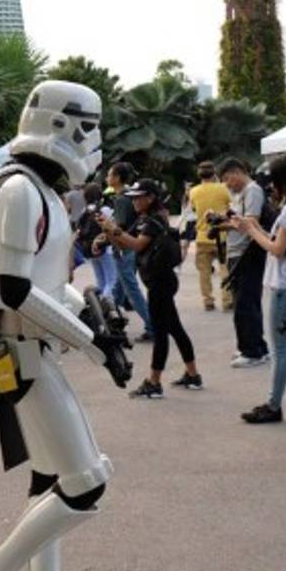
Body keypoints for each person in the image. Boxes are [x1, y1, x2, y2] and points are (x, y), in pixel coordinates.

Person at [0, 80, 127, 571]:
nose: (93, 141)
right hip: (21, 348)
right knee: (86, 480)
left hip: (27, 346)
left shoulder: (34, 189)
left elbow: (46, 286)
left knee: (49, 474)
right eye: (89, 127)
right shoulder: (18, 191)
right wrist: (93, 342)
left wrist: (95, 316)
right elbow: (12, 290)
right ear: (64, 126)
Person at [100, 178, 203, 398]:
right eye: (133, 197)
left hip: (160, 282)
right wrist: (108, 233)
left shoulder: (155, 220)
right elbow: (124, 242)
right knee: (174, 328)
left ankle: (153, 382)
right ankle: (193, 375)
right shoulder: (144, 218)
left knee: (160, 332)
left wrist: (113, 230)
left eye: (139, 197)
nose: (135, 201)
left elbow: (137, 245)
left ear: (150, 198)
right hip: (158, 281)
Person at [230, 154, 286, 423]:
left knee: (280, 349)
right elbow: (277, 242)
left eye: (274, 182)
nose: (271, 188)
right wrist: (251, 226)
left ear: (283, 182)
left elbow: (277, 249)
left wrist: (252, 231)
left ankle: (274, 405)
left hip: (282, 287)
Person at [217, 157, 270, 367]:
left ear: (237, 173)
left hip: (247, 253)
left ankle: (252, 352)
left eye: (228, 180)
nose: (228, 185)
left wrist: (225, 224)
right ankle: (255, 346)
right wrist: (222, 219)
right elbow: (240, 219)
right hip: (238, 252)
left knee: (245, 304)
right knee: (246, 302)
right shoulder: (240, 193)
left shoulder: (252, 190)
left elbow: (251, 222)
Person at [106, 162, 154, 341]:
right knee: (119, 290)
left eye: (109, 174)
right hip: (132, 247)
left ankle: (152, 326)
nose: (107, 178)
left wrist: (105, 234)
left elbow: (118, 226)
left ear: (117, 178)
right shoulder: (130, 195)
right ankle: (112, 323)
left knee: (131, 289)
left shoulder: (121, 198)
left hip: (124, 248)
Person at [189, 161, 233, 312]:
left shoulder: (193, 191)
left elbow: (194, 209)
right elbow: (230, 206)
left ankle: (208, 301)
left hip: (202, 236)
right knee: (225, 269)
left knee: (204, 272)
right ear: (214, 173)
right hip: (222, 235)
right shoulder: (223, 188)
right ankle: (227, 300)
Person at [77, 182, 117, 299]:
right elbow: (112, 227)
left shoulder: (85, 211)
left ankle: (99, 307)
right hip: (105, 248)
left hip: (90, 249)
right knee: (111, 281)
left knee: (100, 281)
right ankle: (106, 306)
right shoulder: (104, 210)